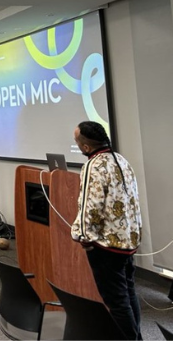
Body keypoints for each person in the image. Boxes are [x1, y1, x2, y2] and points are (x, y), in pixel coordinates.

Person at [71, 121, 142, 340]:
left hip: (106, 246)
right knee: (128, 294)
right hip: (127, 243)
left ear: (85, 147)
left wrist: (81, 236)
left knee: (117, 302)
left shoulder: (93, 166)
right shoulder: (121, 160)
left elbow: (90, 207)